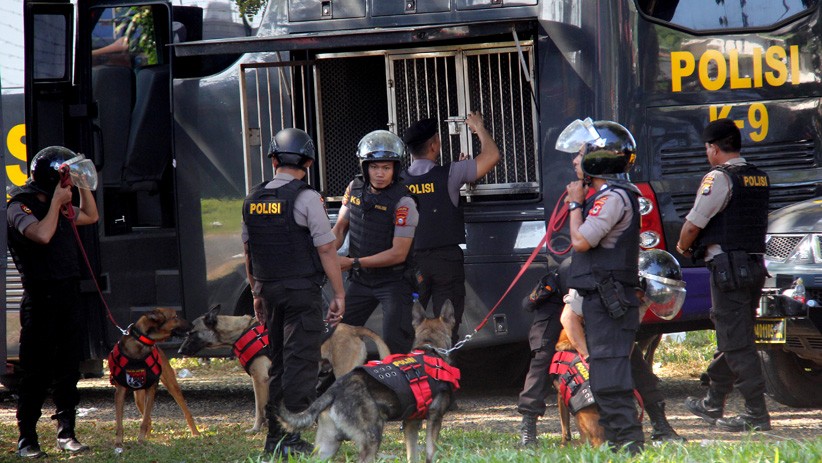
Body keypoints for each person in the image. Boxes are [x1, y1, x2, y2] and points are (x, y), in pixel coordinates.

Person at [242, 128, 346, 460]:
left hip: (269, 291)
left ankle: (276, 437)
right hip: (301, 293)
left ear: (273, 159)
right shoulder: (306, 198)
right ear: (310, 162)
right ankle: (288, 437)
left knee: (279, 366)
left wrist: (256, 292)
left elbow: (249, 251)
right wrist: (339, 294)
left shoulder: (252, 199)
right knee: (301, 364)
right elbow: (327, 249)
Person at [676, 118, 771, 432]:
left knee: (737, 343)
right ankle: (713, 402)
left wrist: (682, 247)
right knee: (735, 336)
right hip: (755, 268)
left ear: (713, 148)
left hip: (728, 270)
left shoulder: (718, 179)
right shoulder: (758, 177)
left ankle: (756, 415)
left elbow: (693, 225)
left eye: (707, 148)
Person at [558, 118, 644, 454]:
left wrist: (574, 204)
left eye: (581, 154)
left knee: (609, 378)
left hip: (612, 303)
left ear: (599, 159)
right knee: (603, 378)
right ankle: (620, 445)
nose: (575, 161)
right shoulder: (610, 195)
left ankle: (629, 447)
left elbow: (580, 241)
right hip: (602, 301)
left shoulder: (613, 198)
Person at [8, 146, 99, 458]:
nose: (69, 183)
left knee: (68, 368)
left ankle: (67, 433)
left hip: (68, 294)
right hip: (40, 298)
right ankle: (27, 439)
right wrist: (58, 202)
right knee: (36, 371)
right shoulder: (21, 205)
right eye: (67, 175)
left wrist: (83, 186)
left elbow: (90, 215)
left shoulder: (61, 204)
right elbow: (42, 235)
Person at [560, 249, 687, 443]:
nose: (644, 301)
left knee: (642, 374)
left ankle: (661, 427)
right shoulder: (594, 274)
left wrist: (622, 363)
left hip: (613, 335)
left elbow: (629, 331)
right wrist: (587, 357)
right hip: (580, 334)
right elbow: (568, 319)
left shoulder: (641, 293)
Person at [400, 113, 500, 343]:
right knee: (447, 329)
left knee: (408, 327)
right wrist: (478, 128)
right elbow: (492, 155)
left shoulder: (397, 181)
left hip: (412, 263)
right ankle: (442, 375)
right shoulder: (451, 173)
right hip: (447, 262)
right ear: (434, 144)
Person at [332, 130, 419, 354]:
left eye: (386, 168)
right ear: (365, 167)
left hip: (393, 283)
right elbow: (341, 227)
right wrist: (325, 253)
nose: (379, 173)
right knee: (337, 335)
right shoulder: (354, 188)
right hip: (361, 280)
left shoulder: (404, 202)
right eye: (374, 167)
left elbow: (399, 253)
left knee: (394, 343)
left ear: (395, 169)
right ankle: (332, 387)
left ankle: (403, 387)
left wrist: (353, 263)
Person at [516, 259, 569, 446]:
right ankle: (528, 424)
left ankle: (657, 417)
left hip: (594, 298)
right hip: (556, 303)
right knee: (542, 358)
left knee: (618, 350)